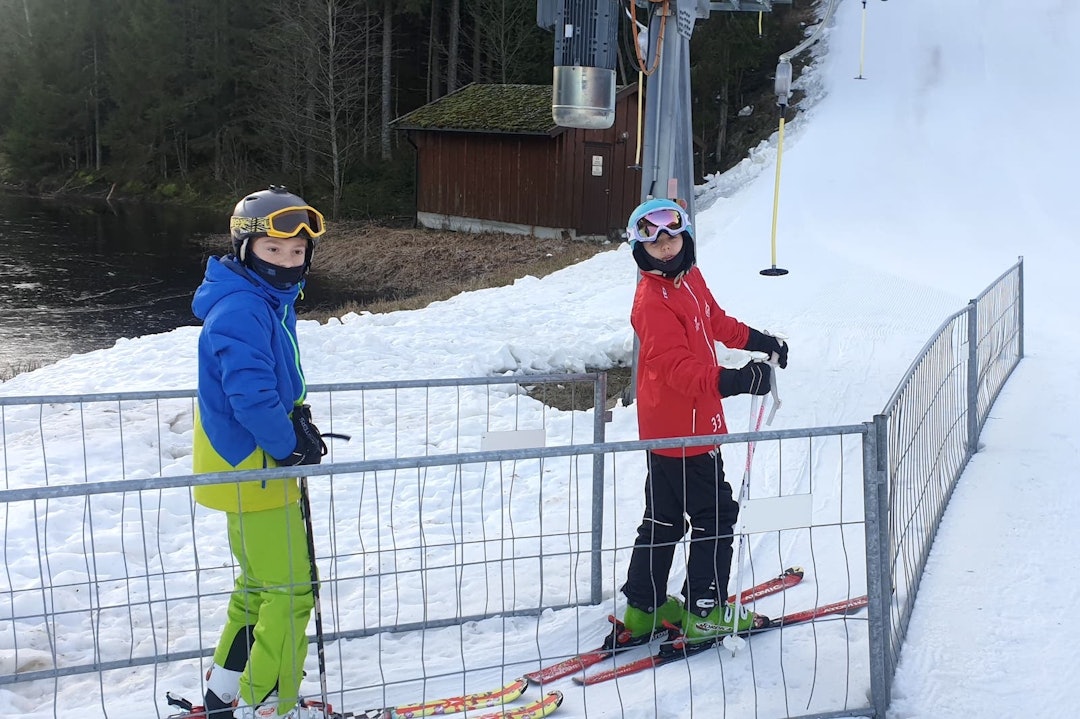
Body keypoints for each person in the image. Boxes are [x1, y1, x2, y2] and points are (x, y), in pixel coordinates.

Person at [618, 198, 789, 645]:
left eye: (671, 236)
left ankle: (644, 609)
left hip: (671, 426)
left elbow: (713, 320)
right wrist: (737, 380)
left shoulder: (688, 278)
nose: (665, 246)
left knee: (664, 518)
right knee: (715, 515)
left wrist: (760, 340)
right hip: (686, 428)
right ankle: (705, 612)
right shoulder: (652, 301)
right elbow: (678, 369)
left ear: (685, 236)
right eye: (653, 241)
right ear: (639, 247)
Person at [191, 186, 328, 718]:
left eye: (297, 254)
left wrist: (293, 422)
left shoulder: (263, 300)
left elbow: (265, 383)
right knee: (293, 593)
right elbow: (249, 392)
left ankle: (225, 692)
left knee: (258, 587)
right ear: (246, 249)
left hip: (241, 467)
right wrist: (288, 444)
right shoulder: (243, 308)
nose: (288, 263)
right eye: (274, 252)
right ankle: (265, 700)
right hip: (257, 468)